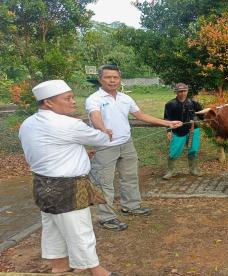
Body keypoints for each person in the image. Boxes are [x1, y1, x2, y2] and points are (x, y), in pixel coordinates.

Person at [19, 80, 117, 275]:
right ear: (48, 103)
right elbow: (102, 139)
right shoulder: (69, 124)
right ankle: (97, 271)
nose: (73, 101)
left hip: (42, 185)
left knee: (53, 228)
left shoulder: (27, 124)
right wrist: (107, 133)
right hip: (67, 187)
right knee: (80, 230)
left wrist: (78, 154)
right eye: (67, 98)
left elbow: (47, 151)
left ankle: (60, 266)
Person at [85, 65, 182, 231]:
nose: (112, 80)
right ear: (100, 79)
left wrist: (167, 123)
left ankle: (130, 206)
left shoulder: (125, 98)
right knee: (104, 183)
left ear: (119, 79)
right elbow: (95, 117)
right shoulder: (94, 99)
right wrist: (102, 129)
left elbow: (141, 115)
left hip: (126, 143)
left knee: (130, 176)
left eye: (115, 77)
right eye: (108, 77)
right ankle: (106, 217)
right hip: (104, 146)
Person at [162, 83, 204, 179]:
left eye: (184, 91)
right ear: (176, 92)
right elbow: (166, 119)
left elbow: (202, 116)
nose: (182, 93)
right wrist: (168, 131)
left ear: (187, 91)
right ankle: (170, 171)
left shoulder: (194, 103)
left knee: (194, 150)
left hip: (193, 129)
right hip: (178, 131)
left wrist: (207, 113)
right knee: (174, 151)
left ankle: (193, 169)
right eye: (180, 91)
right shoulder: (170, 104)